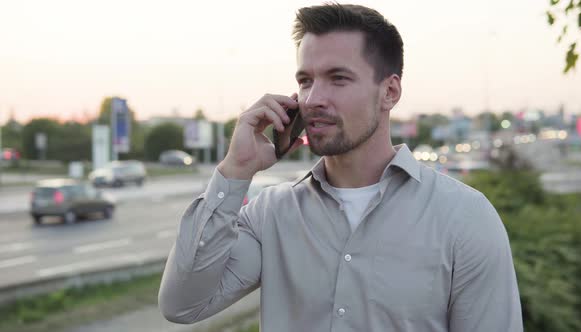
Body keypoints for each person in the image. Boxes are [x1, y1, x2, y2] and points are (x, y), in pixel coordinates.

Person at [158, 3, 523, 331]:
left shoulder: (464, 217)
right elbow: (182, 305)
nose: (314, 99)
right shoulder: (272, 215)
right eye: (305, 81)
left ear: (390, 92)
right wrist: (235, 170)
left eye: (338, 78)